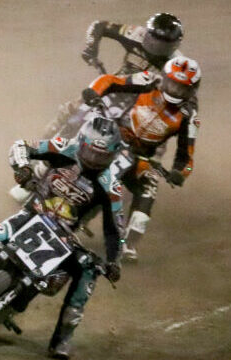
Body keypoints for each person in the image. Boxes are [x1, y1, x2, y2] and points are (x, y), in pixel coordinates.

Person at [0, 116, 131, 360]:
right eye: (89, 152)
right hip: (32, 214)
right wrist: (23, 169)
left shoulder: (111, 186)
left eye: (100, 157)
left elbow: (115, 228)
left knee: (88, 272)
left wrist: (114, 261)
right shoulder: (62, 147)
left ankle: (63, 337)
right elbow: (21, 146)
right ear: (81, 142)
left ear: (112, 156)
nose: (93, 160)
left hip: (66, 236)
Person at [82, 54, 199, 260]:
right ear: (164, 77)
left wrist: (180, 174)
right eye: (172, 84)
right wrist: (93, 91)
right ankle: (39, 181)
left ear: (192, 90)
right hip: (112, 135)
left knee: (149, 187)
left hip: (141, 157)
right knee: (75, 144)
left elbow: (186, 157)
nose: (175, 91)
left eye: (182, 88)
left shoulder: (190, 115)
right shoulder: (148, 80)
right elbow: (110, 80)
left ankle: (128, 244)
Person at [82, 12, 183, 76]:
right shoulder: (136, 33)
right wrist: (91, 49)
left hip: (145, 103)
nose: (155, 45)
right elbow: (99, 25)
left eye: (162, 44)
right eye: (153, 39)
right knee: (79, 104)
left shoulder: (178, 64)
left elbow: (186, 97)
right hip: (114, 85)